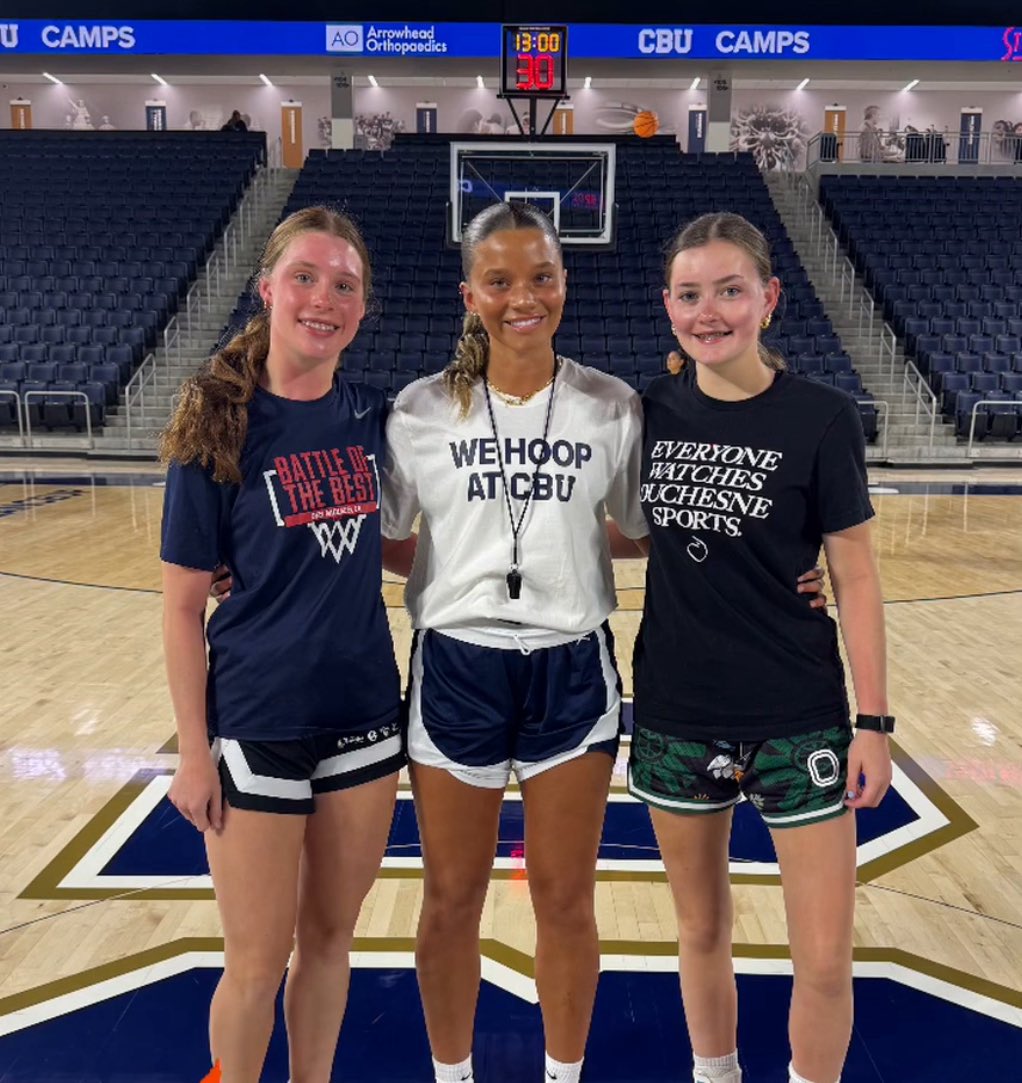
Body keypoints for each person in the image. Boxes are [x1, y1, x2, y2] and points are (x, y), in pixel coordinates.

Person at [379, 201, 828, 1083]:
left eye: (540, 276)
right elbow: (389, 537)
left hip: (572, 663)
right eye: (500, 280)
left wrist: (793, 564)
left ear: (564, 282)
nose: (523, 297)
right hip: (457, 664)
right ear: (469, 292)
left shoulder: (611, 406)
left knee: (564, 897)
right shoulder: (418, 411)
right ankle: (452, 1073)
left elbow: (642, 526)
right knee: (450, 897)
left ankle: (562, 1072)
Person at [628, 212, 893, 1083]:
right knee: (701, 929)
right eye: (693, 294)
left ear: (769, 299)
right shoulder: (646, 411)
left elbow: (854, 575)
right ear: (668, 306)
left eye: (730, 290)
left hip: (799, 716)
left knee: (822, 956)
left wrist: (874, 722)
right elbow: (626, 532)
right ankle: (718, 1073)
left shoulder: (821, 418)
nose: (711, 311)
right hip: (675, 710)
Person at [160, 206, 403, 1083]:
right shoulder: (214, 423)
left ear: (364, 308)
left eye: (344, 283)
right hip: (258, 719)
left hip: (368, 718)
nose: (323, 297)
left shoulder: (376, 416)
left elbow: (405, 544)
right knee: (255, 960)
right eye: (305, 276)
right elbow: (183, 607)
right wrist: (194, 751)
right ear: (266, 288)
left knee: (330, 941)